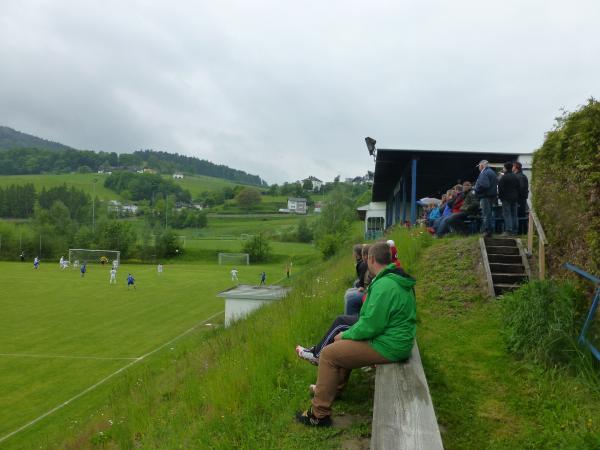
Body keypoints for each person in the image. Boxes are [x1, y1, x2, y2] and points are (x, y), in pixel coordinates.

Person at [295, 242, 417, 427]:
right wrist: (349, 334)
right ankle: (332, 390)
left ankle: (318, 415)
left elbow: (370, 325)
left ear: (371, 259)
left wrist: (346, 335)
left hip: (390, 344)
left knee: (329, 354)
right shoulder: (393, 278)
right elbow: (372, 321)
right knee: (342, 346)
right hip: (394, 339)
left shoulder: (385, 285)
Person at [474, 160, 498, 238]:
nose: (479, 168)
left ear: (482, 165)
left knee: (486, 215)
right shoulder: (492, 172)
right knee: (489, 214)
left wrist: (476, 190)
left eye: (479, 166)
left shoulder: (484, 173)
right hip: (491, 196)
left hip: (485, 196)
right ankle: (489, 231)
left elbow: (485, 185)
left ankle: (487, 232)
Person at [343, 245, 368, 316]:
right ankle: (349, 314)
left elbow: (363, 278)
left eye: (353, 252)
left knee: (350, 297)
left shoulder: (362, 265)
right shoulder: (362, 263)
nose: (352, 254)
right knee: (348, 291)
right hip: (366, 287)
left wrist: (362, 286)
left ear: (356, 254)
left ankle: (350, 318)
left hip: (366, 289)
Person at [498, 162, 520, 236]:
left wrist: (500, 197)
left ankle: (508, 230)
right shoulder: (515, 177)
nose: (503, 169)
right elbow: (518, 188)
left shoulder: (504, 177)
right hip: (515, 198)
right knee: (514, 214)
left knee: (507, 214)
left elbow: (500, 189)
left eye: (503, 167)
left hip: (506, 198)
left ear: (506, 168)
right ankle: (515, 230)